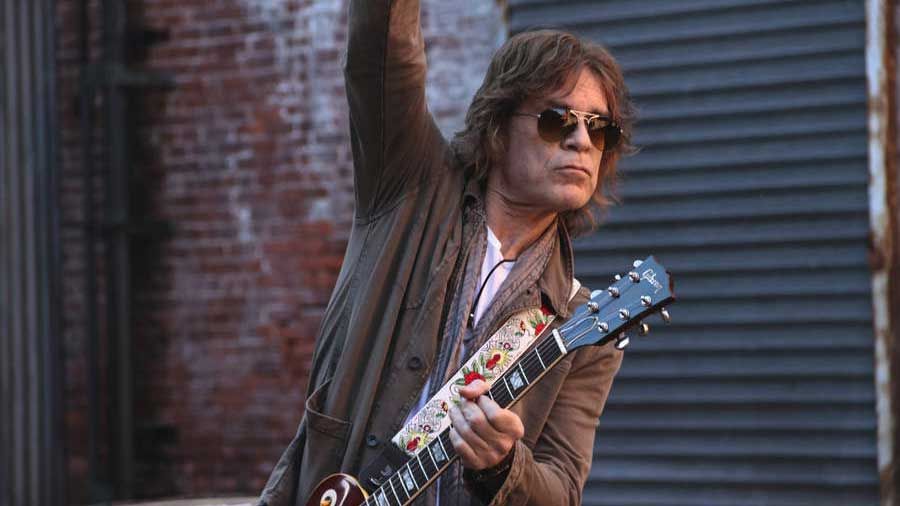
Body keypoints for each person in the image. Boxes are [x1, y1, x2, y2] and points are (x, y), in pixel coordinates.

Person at [258, 0, 634, 504]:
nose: (581, 141)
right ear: (498, 125)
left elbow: (561, 490)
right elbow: (382, 52)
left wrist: (503, 465)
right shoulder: (409, 185)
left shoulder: (582, 326)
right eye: (558, 119)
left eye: (600, 127)